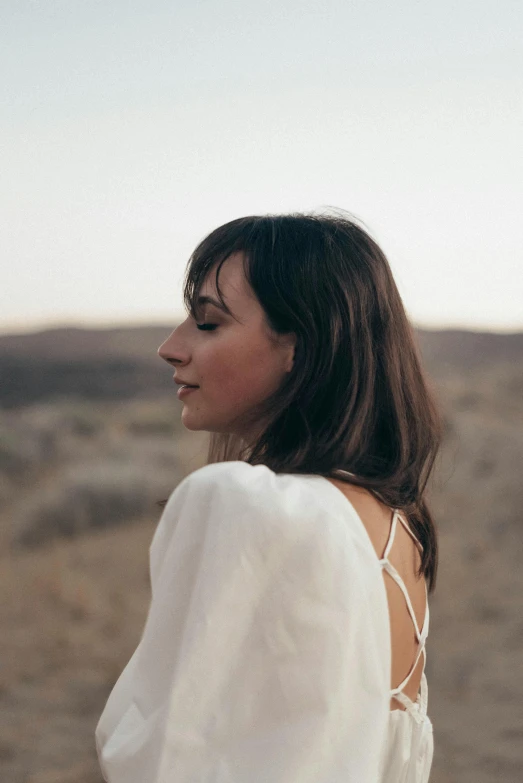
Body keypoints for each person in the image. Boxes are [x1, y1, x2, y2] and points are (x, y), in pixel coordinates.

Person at [95, 211, 442, 782]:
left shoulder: (251, 506)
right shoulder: (398, 524)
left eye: (207, 323)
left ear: (302, 347)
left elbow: (162, 761)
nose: (170, 347)